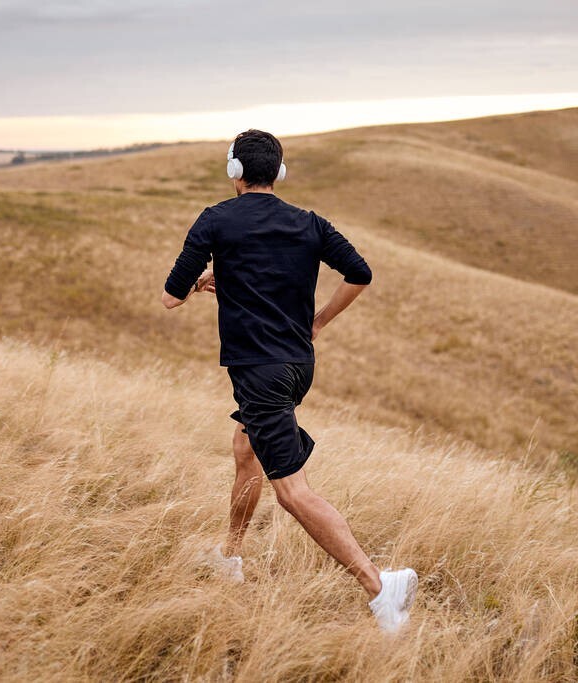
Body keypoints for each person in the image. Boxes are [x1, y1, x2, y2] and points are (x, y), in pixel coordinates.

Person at [161, 129, 417, 632]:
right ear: (279, 173)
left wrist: (198, 282)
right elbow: (360, 273)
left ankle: (379, 588)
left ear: (234, 172)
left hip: (258, 372)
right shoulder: (309, 222)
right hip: (298, 365)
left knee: (292, 492)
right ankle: (231, 557)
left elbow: (171, 297)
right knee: (245, 449)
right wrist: (318, 322)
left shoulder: (215, 220)